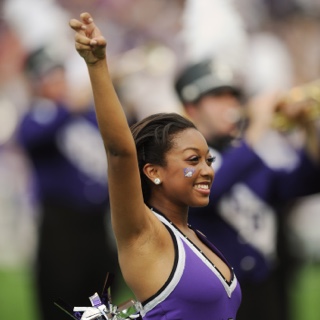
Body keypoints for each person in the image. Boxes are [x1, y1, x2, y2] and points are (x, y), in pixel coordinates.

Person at [69, 12, 242, 319]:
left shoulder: (195, 235)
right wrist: (97, 65)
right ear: (153, 172)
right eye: (193, 160)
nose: (207, 170)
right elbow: (121, 153)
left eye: (208, 159)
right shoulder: (143, 233)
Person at [174, 59, 320, 320]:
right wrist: (259, 125)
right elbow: (207, 191)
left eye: (233, 96)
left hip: (267, 288)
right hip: (219, 297)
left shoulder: (245, 156)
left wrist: (306, 125)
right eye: (218, 97)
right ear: (191, 108)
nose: (231, 104)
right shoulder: (181, 160)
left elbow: (302, 183)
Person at [17, 46, 119, 320]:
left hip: (97, 223)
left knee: (102, 299)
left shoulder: (86, 115)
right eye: (49, 77)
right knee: (63, 300)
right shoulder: (37, 116)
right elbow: (32, 137)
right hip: (61, 227)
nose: (58, 82)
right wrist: (67, 107)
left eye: (59, 75)